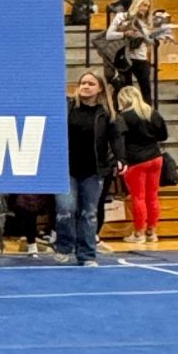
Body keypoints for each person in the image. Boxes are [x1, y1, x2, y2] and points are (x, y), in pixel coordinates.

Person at [57, 69, 120, 265]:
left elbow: (116, 138)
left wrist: (120, 159)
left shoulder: (105, 113)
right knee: (65, 209)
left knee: (89, 213)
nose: (85, 86)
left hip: (93, 170)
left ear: (99, 88)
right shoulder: (67, 107)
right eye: (83, 83)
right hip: (65, 169)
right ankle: (64, 246)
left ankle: (87, 254)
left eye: (91, 84)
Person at [116, 86, 169, 248]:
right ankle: (152, 232)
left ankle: (139, 232)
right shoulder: (153, 113)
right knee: (152, 196)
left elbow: (120, 140)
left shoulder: (124, 117)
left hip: (135, 160)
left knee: (138, 197)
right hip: (155, 157)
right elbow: (163, 135)